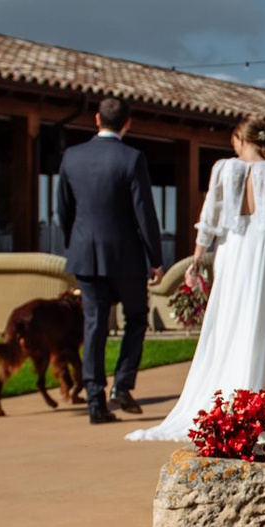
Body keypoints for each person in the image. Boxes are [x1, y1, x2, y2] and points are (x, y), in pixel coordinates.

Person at [128, 117, 265, 443]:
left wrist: (197, 256)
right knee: (257, 320)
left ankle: (230, 390)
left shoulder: (223, 168)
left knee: (226, 318)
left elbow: (208, 218)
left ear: (241, 138)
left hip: (232, 249)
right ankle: (253, 393)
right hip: (262, 251)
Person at [54, 97, 165, 425]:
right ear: (127, 123)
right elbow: (144, 212)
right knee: (136, 318)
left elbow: (63, 209)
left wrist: (74, 242)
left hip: (85, 254)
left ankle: (95, 400)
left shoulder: (71, 156)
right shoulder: (132, 158)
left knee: (94, 325)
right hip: (125, 256)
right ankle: (122, 385)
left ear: (96, 119)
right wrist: (155, 258)